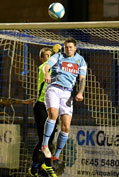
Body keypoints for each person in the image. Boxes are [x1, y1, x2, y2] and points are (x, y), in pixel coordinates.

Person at [41, 37, 87, 177]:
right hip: (54, 88)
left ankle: (56, 155)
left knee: (66, 126)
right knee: (53, 115)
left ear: (75, 48)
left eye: (70, 47)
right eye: (66, 47)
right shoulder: (58, 56)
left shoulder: (80, 60)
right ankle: (44, 145)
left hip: (67, 93)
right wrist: (47, 73)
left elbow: (82, 79)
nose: (68, 49)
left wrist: (80, 92)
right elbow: (46, 66)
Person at [28, 45, 61, 177]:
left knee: (50, 139)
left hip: (53, 107)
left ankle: (35, 168)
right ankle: (46, 165)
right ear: (42, 58)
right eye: (47, 56)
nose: (49, 58)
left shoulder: (55, 68)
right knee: (44, 139)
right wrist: (56, 53)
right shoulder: (43, 68)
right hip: (42, 106)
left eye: (50, 55)